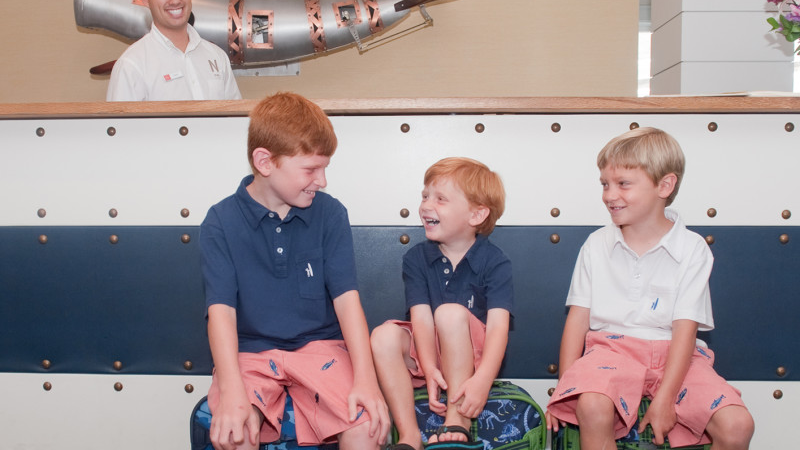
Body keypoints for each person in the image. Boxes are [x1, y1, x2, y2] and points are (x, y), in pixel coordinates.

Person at [200, 92, 388, 450]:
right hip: (250, 353)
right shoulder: (220, 221)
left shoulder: (330, 214)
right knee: (235, 432)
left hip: (321, 348)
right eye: (311, 169)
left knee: (367, 427)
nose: (322, 181)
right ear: (265, 162)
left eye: (325, 168)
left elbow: (348, 301)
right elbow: (220, 312)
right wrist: (233, 391)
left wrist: (367, 379)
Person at [546, 127, 754, 450]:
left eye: (623, 184)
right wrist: (565, 386)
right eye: (605, 184)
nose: (609, 195)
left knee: (738, 425)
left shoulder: (693, 248)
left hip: (677, 356)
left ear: (665, 185)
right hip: (611, 352)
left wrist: (666, 398)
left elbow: (685, 329)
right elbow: (577, 320)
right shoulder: (596, 245)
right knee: (591, 405)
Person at [370, 157, 513, 450]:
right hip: (430, 348)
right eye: (425, 196)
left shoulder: (495, 261)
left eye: (440, 199)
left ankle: (457, 418)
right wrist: (428, 365)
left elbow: (499, 327)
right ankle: (408, 435)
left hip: (472, 357)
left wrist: (484, 379)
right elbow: (420, 317)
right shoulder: (416, 258)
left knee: (448, 314)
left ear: (476, 215)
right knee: (383, 335)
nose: (426, 205)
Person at [107, 0, 241, 101]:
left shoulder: (217, 57)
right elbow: (121, 125)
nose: (175, 0)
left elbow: (234, 122)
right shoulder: (131, 65)